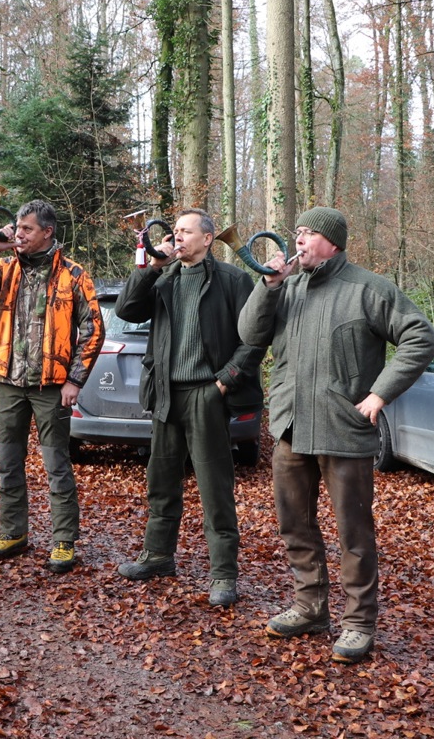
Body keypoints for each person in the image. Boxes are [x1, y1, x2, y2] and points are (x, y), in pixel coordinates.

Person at [238, 206, 434, 663]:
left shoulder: (369, 289)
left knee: (354, 533)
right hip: (290, 427)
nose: (299, 240)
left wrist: (380, 392)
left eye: (308, 233)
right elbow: (249, 334)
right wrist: (268, 287)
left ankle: (358, 623)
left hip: (343, 430)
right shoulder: (286, 287)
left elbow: (421, 338)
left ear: (332, 242)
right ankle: (310, 608)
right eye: (297, 232)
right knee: (295, 524)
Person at [114, 208, 264, 607]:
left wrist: (225, 381)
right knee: (161, 482)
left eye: (185, 231)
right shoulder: (164, 278)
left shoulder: (232, 280)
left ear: (208, 239)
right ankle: (158, 557)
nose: (177, 237)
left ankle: (224, 574)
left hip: (207, 395)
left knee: (215, 489)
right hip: (166, 394)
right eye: (175, 231)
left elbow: (255, 337)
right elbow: (126, 309)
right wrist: (151, 267)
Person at [0, 199, 104, 574]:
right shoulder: (6, 267)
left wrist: (75, 380)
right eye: (17, 228)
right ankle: (13, 533)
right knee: (8, 463)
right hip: (9, 382)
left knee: (57, 465)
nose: (19, 234)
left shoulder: (73, 274)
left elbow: (93, 331)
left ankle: (64, 541)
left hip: (52, 387)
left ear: (47, 232)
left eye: (27, 229)